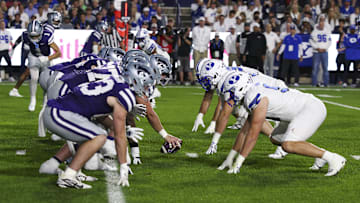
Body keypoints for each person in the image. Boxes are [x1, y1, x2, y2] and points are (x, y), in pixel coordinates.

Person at [216, 71, 346, 177]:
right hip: (296, 112)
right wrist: (230, 158)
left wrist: (238, 163)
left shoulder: (254, 98)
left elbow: (252, 135)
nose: (229, 98)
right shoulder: (252, 93)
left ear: (239, 89)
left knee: (288, 145)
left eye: (231, 93)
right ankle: (320, 154)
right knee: (275, 138)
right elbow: (244, 131)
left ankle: (334, 158)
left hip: (310, 109)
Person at [26, 20, 62, 112]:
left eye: (36, 36)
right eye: (32, 36)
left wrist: (48, 58)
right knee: (34, 78)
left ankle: (45, 100)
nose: (34, 38)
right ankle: (32, 99)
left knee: (46, 81)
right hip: (33, 56)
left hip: (46, 57)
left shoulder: (47, 36)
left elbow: (59, 53)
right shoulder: (25, 35)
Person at [310, 18, 331, 87]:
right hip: (316, 52)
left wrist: (325, 48)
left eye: (322, 24)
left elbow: (329, 41)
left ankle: (326, 83)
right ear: (318, 24)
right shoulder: (314, 32)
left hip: (324, 51)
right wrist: (317, 48)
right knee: (315, 68)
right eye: (320, 24)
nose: (321, 25)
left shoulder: (327, 31)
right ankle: (314, 83)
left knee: (325, 68)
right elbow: (311, 41)